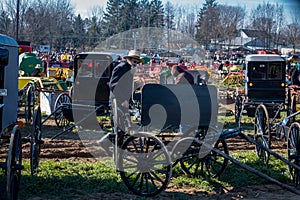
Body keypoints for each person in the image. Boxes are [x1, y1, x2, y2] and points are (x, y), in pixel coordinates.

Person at [98, 50, 144, 154]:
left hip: (122, 101)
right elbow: (114, 86)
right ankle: (106, 142)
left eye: (137, 61)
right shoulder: (122, 68)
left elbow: (125, 86)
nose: (135, 63)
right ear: (128, 59)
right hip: (117, 101)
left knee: (125, 128)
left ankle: (117, 148)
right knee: (120, 129)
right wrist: (123, 100)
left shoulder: (128, 69)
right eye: (133, 60)